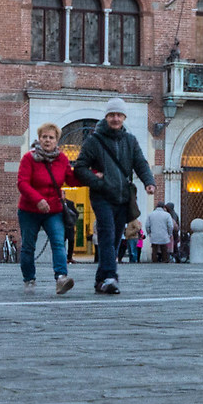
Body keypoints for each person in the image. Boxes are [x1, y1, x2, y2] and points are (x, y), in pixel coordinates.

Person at [72, 98, 155, 294]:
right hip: (102, 196)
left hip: (122, 196)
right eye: (111, 115)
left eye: (118, 115)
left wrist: (149, 182)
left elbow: (140, 163)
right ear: (106, 117)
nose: (115, 118)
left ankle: (101, 280)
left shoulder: (130, 140)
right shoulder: (94, 141)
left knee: (116, 238)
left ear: (124, 117)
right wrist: (97, 181)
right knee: (107, 235)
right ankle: (111, 277)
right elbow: (80, 168)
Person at [16, 123, 76, 293]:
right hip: (29, 210)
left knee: (58, 243)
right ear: (39, 139)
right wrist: (38, 200)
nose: (47, 140)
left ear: (57, 140)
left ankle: (61, 278)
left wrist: (93, 175)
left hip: (54, 211)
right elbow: (22, 183)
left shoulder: (62, 159)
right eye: (44, 137)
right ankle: (29, 279)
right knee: (28, 246)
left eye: (51, 137)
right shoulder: (29, 158)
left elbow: (71, 179)